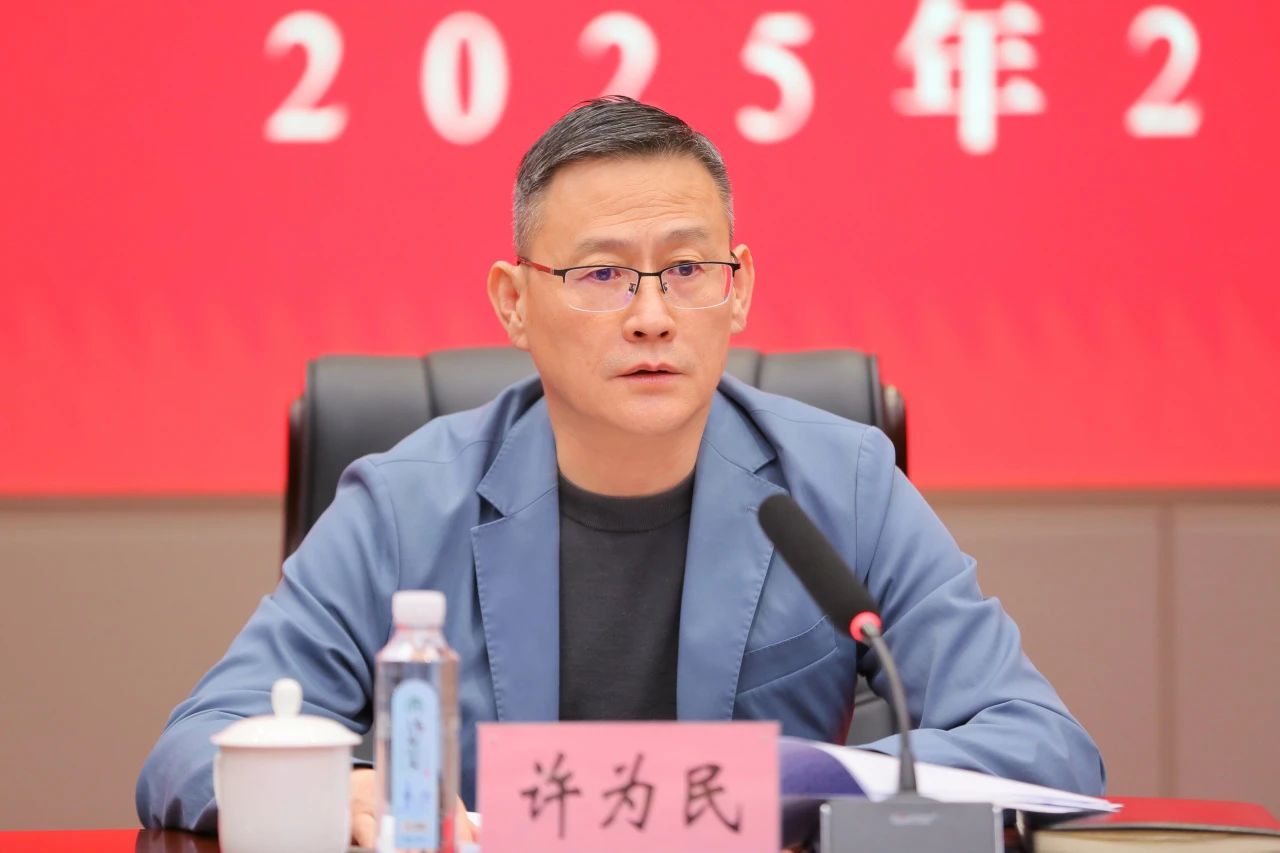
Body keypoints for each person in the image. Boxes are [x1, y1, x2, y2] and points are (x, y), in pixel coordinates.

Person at [136, 97, 1105, 845]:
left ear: (738, 287)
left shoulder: (841, 483)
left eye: (687, 270)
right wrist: (335, 788)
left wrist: (809, 785)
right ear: (513, 302)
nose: (651, 316)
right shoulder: (402, 504)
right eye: (600, 275)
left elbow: (1042, 741)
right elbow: (193, 744)